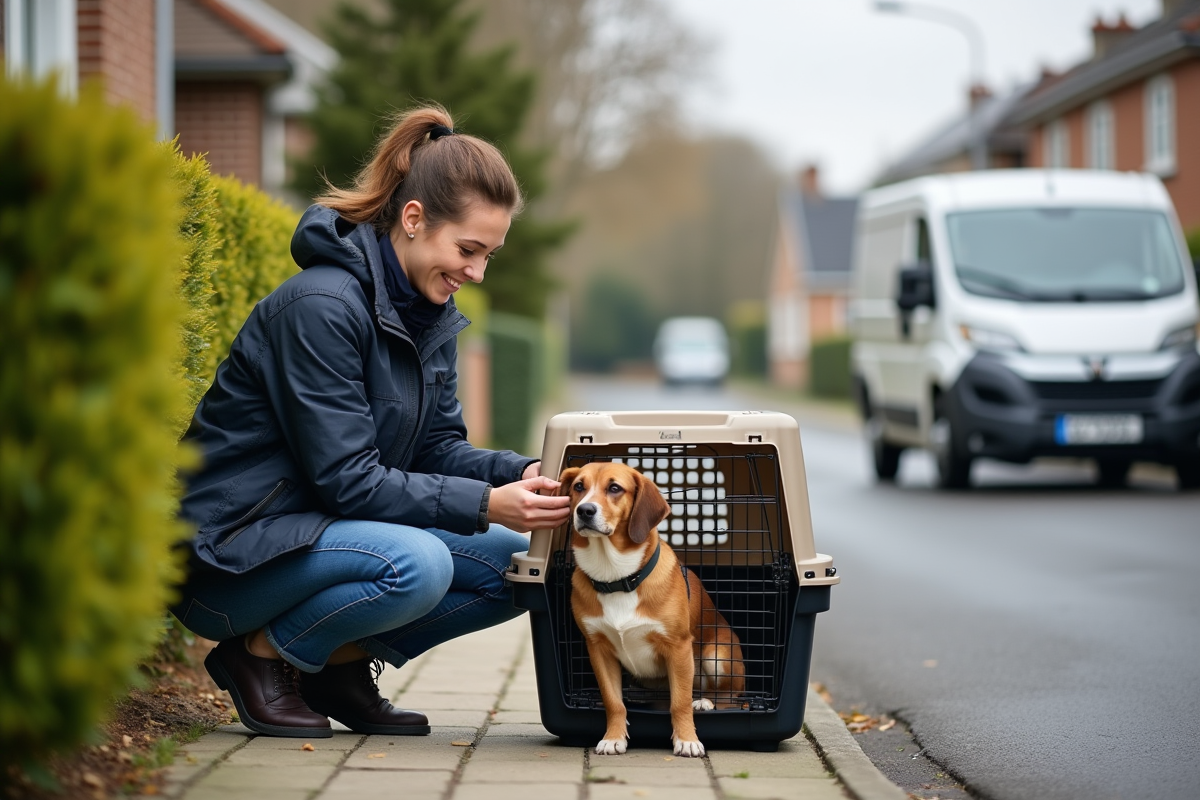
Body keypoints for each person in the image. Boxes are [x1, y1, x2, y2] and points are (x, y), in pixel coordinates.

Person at [171, 104, 571, 739]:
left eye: (489, 255)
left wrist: (526, 473)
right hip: (229, 557)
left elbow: (436, 447)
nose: (476, 272)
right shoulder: (321, 308)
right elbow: (348, 482)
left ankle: (337, 663)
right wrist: (489, 504)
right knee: (419, 564)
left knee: (522, 564)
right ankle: (258, 659)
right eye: (468, 250)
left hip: (316, 538)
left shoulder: (428, 315)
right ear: (413, 219)